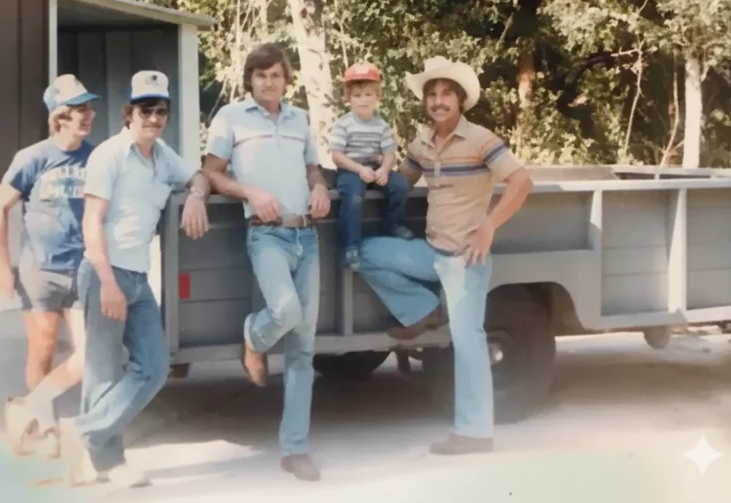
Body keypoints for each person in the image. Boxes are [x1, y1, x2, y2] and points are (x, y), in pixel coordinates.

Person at [357, 56, 533, 455]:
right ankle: (423, 308)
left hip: (466, 258)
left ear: (460, 100)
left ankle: (476, 432)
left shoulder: (481, 140)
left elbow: (522, 182)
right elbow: (401, 183)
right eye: (432, 94)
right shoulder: (422, 143)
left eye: (446, 94)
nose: (438, 101)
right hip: (431, 253)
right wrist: (362, 169)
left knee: (468, 341)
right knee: (364, 252)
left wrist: (488, 227)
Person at [60, 70, 210, 489]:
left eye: (161, 110)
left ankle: (82, 432)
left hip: (139, 277)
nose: (154, 118)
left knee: (155, 367)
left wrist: (196, 197)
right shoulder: (108, 155)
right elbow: (92, 222)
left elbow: (197, 175)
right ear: (129, 113)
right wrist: (107, 283)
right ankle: (106, 462)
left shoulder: (163, 156)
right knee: (103, 374)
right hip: (105, 273)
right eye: (146, 110)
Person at [202, 43, 331, 483]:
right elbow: (212, 172)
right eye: (260, 75)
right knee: (286, 311)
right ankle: (254, 338)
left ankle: (295, 449)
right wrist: (251, 192)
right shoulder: (231, 117)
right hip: (266, 234)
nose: (269, 82)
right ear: (250, 80)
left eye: (276, 75)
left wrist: (320, 187)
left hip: (306, 235)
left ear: (286, 80)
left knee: (304, 347)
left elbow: (313, 168)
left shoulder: (299, 119)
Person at [0, 74, 99, 458]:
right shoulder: (33, 158)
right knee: (43, 350)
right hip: (40, 272)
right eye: (81, 109)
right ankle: (47, 426)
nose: (90, 115)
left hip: (82, 269)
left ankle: (28, 407)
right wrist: (2, 267)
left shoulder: (96, 158)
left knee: (89, 356)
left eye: (89, 108)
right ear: (60, 116)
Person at [330, 62, 412, 271]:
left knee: (400, 185)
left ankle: (392, 225)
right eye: (357, 95)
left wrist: (384, 169)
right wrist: (359, 169)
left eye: (368, 94)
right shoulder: (343, 124)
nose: (363, 100)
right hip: (351, 169)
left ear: (378, 97)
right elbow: (337, 156)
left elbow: (389, 153)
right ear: (348, 98)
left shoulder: (381, 125)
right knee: (354, 195)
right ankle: (350, 245)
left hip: (375, 168)